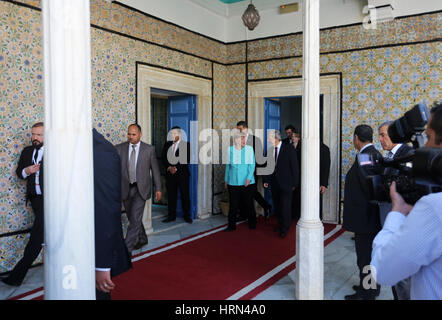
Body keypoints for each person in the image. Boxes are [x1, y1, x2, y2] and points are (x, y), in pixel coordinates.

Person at [371, 103, 442, 300]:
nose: (424, 146)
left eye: (427, 137)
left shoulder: (434, 207)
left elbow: (381, 270)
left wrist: (397, 212)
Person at [1, 122, 45, 287]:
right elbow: (19, 172)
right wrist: (28, 170)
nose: (34, 137)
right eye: (33, 134)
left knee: (36, 237)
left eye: (39, 135)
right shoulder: (27, 151)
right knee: (42, 235)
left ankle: (16, 277)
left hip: (51, 201)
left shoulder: (56, 152)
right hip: (35, 200)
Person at [343, 124, 382, 300]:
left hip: (365, 218)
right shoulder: (373, 154)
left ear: (356, 138)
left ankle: (367, 294)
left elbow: (370, 188)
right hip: (369, 217)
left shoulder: (367, 156)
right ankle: (369, 287)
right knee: (368, 257)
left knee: (365, 257)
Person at [92, 128, 132, 300]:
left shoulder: (101, 150)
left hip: (93, 247)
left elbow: (105, 208)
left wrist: (102, 264)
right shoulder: (64, 147)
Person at [377, 120, 413, 300]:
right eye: (379, 135)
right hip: (390, 217)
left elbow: (402, 187)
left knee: (403, 273)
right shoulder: (389, 156)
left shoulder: (407, 154)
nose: (380, 139)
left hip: (402, 220)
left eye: (383, 135)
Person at [115, 124, 162, 254]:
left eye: (134, 134)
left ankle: (126, 251)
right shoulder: (119, 149)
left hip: (141, 189)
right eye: (129, 134)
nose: (131, 136)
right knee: (132, 217)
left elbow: (155, 170)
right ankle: (142, 238)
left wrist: (158, 188)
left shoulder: (149, 149)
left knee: (135, 218)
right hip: (125, 188)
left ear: (140, 134)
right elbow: (114, 170)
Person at [263, 130, 299, 238]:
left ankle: (285, 228)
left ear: (276, 138)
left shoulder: (288, 148)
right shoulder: (270, 151)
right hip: (275, 184)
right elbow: (267, 167)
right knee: (277, 205)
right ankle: (280, 224)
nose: (268, 140)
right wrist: (265, 180)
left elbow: (295, 167)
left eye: (270, 138)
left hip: (287, 183)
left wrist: (294, 183)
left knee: (286, 206)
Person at [291, 130, 331, 220]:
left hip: (317, 180)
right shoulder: (303, 147)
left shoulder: (324, 149)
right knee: (300, 198)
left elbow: (326, 168)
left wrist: (324, 184)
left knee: (316, 200)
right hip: (303, 179)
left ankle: (316, 218)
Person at [236, 121, 271, 219]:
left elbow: (259, 157)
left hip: (252, 170)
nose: (238, 131)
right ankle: (246, 213)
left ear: (245, 128)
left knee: (251, 192)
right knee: (245, 192)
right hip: (241, 170)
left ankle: (263, 207)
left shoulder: (255, 140)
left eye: (240, 129)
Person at [224, 130, 256, 231]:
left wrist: (249, 178)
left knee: (248, 203)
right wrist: (226, 180)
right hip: (233, 182)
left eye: (244, 138)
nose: (243, 140)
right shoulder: (230, 150)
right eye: (241, 138)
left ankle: (252, 223)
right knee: (233, 205)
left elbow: (252, 165)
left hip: (246, 182)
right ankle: (231, 225)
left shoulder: (249, 149)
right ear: (236, 140)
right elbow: (227, 166)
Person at [161, 126, 192, 224]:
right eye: (172, 134)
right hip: (170, 175)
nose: (173, 135)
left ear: (180, 134)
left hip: (183, 175)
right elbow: (163, 158)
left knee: (185, 195)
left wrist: (175, 168)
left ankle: (187, 216)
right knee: (171, 196)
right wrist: (169, 167)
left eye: (175, 133)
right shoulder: (167, 144)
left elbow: (186, 159)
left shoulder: (186, 145)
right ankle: (171, 216)